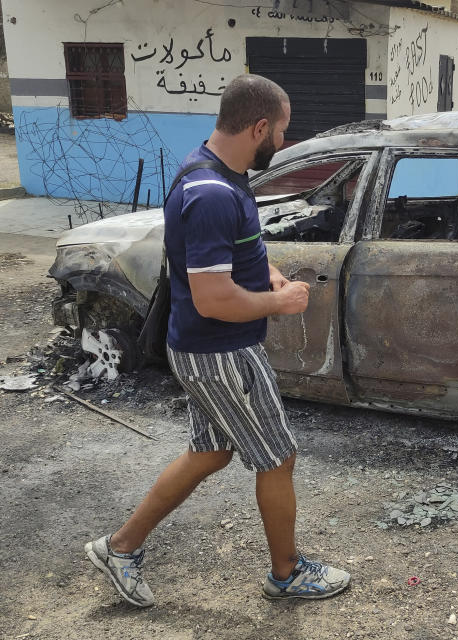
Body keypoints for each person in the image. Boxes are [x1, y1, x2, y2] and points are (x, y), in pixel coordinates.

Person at [84, 74, 350, 607]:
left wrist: (268, 273)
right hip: (220, 353)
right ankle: (286, 573)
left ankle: (121, 546)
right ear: (258, 127)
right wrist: (281, 302)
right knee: (278, 458)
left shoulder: (221, 171)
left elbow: (233, 255)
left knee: (209, 454)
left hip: (212, 348)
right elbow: (211, 298)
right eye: (281, 131)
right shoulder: (209, 193)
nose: (284, 142)